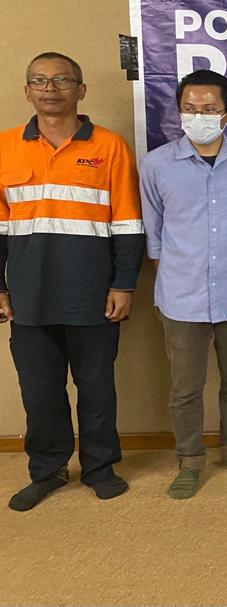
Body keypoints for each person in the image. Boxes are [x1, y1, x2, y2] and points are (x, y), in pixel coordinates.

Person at [0, 52, 145, 511]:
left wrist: (124, 284)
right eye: (39, 80)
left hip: (94, 296)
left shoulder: (110, 146)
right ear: (27, 91)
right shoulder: (5, 146)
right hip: (29, 297)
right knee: (39, 392)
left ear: (80, 90)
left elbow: (128, 223)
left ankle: (100, 468)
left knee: (97, 388)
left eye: (62, 79)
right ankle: (47, 470)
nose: (50, 88)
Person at [139, 69, 227, 499]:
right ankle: (190, 461)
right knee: (185, 388)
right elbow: (154, 233)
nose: (198, 117)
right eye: (189, 109)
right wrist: (172, 275)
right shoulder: (156, 165)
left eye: (209, 109)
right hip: (181, 298)